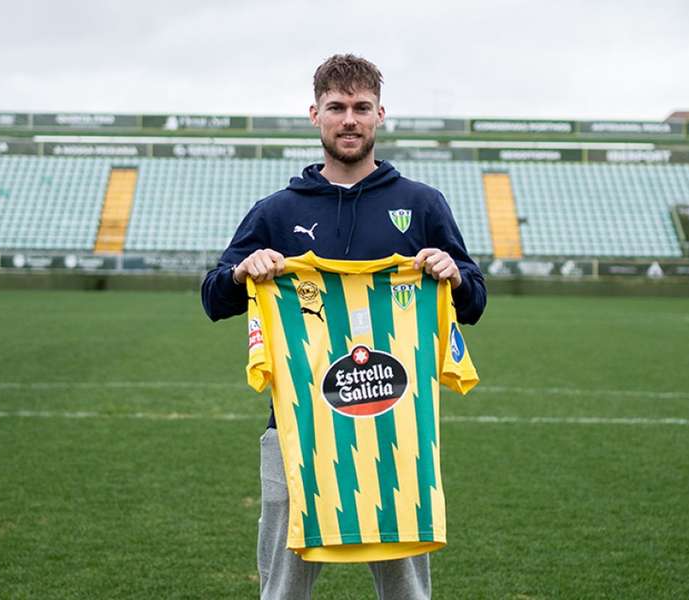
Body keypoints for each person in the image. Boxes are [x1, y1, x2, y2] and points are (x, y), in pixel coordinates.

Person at [201, 54, 486, 600]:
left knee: (406, 590)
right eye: (336, 108)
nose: (349, 119)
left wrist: (457, 276)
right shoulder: (277, 212)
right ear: (315, 115)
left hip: (396, 431)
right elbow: (214, 297)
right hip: (295, 430)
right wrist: (242, 272)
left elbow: (473, 302)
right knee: (283, 589)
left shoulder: (421, 205)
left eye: (361, 107)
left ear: (381, 114)